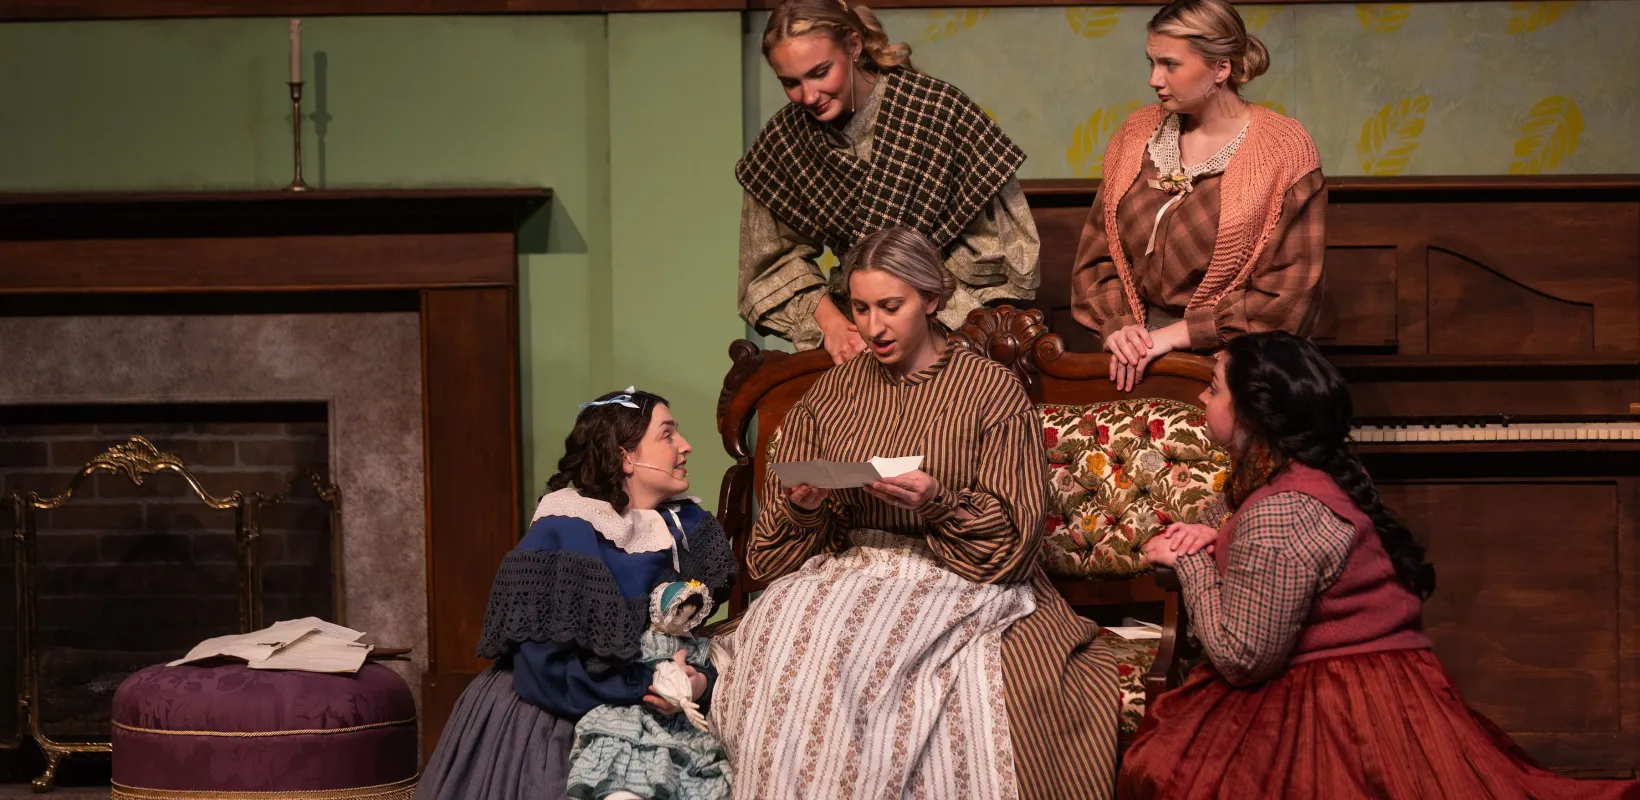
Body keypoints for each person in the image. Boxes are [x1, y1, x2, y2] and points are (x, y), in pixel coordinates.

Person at [1124, 333, 1640, 799]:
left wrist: (1190, 562)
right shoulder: (1289, 471)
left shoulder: (1283, 510)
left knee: (1176, 770)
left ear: (1253, 416)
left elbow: (1242, 657)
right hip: (1368, 674)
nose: (1201, 397)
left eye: (1213, 388)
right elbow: (1241, 515)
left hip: (1347, 697)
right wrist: (1214, 531)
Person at [710, 227, 1118, 799]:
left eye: (891, 307)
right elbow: (769, 558)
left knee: (921, 676)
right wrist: (806, 508)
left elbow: (1014, 545)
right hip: (848, 572)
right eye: (860, 308)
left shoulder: (989, 391)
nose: (873, 326)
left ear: (932, 298)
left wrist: (938, 502)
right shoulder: (831, 395)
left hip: (962, 577)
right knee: (794, 643)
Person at [415, 388, 735, 800]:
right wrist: (646, 684)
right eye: (668, 434)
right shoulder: (564, 529)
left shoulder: (682, 527)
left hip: (654, 714)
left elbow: (684, 643)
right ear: (625, 456)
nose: (685, 445)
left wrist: (696, 682)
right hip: (553, 714)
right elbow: (546, 672)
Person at [738, 0, 1040, 365]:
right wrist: (832, 323)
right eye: (790, 83)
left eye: (820, 72)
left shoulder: (937, 111)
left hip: (951, 329)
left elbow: (1004, 250)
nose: (809, 96)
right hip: (852, 337)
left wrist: (917, 312)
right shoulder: (782, 143)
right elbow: (768, 263)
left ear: (852, 45)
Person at [1070, 0, 1325, 392]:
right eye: (1151, 63)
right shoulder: (1138, 134)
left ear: (1221, 68)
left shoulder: (1284, 150)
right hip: (1132, 359)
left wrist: (1173, 336)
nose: (1155, 79)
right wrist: (1117, 328)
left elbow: (1288, 294)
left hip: (1240, 369)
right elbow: (1098, 253)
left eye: (1170, 65)